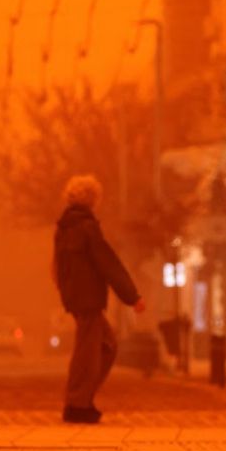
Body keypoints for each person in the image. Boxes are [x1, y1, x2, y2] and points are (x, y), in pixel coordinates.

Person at [53, 174, 145, 424]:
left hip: (77, 298)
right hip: (89, 300)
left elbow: (58, 267)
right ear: (93, 199)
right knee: (88, 352)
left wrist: (66, 294)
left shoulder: (63, 228)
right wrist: (132, 296)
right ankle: (77, 404)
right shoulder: (87, 228)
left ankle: (81, 398)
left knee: (106, 346)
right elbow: (107, 262)